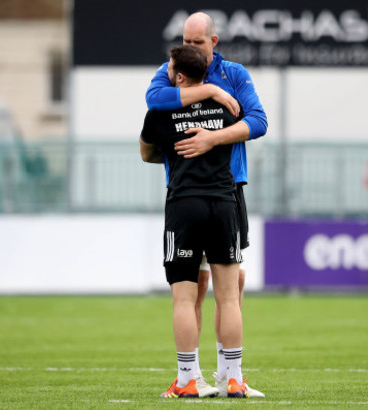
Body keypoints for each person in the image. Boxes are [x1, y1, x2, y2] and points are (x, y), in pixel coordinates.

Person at [145, 11, 267, 398]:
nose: (188, 48)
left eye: (196, 42)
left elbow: (260, 121)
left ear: (214, 42)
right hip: (213, 197)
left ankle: (220, 375)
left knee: (225, 283)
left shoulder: (234, 73)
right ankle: (205, 375)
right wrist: (211, 94)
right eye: (186, 40)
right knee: (207, 285)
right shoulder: (171, 72)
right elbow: (152, 97)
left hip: (219, 190)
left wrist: (212, 139)